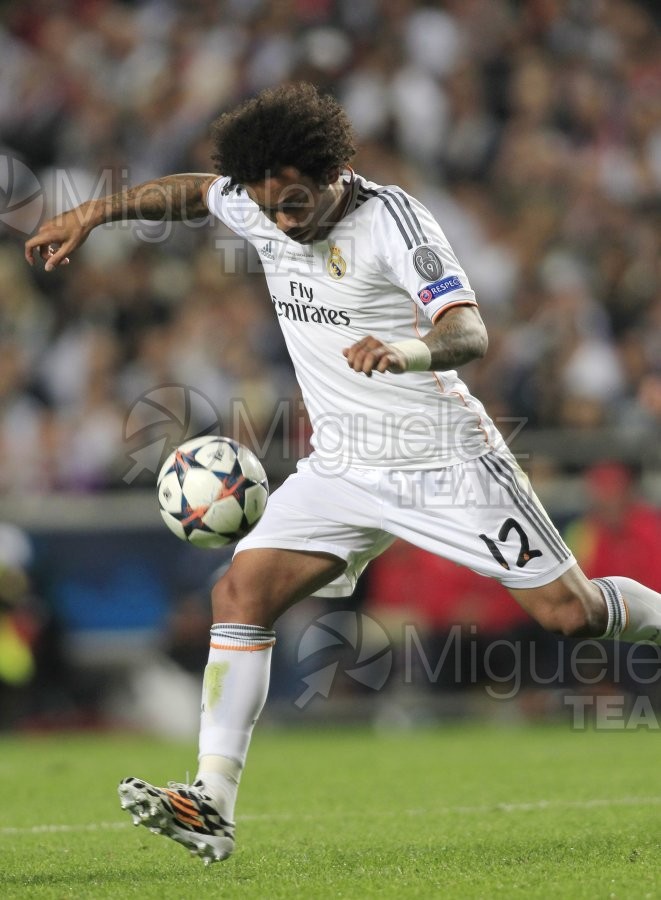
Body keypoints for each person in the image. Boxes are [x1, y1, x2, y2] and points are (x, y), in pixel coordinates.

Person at [25, 83, 661, 865]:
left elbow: (468, 329)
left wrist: (408, 350)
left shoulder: (394, 222)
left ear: (335, 170)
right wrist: (98, 211)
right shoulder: (259, 199)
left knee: (569, 613)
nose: (282, 221)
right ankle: (210, 803)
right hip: (343, 465)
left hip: (443, 460)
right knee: (240, 592)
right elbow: (195, 193)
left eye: (295, 204)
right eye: (269, 207)